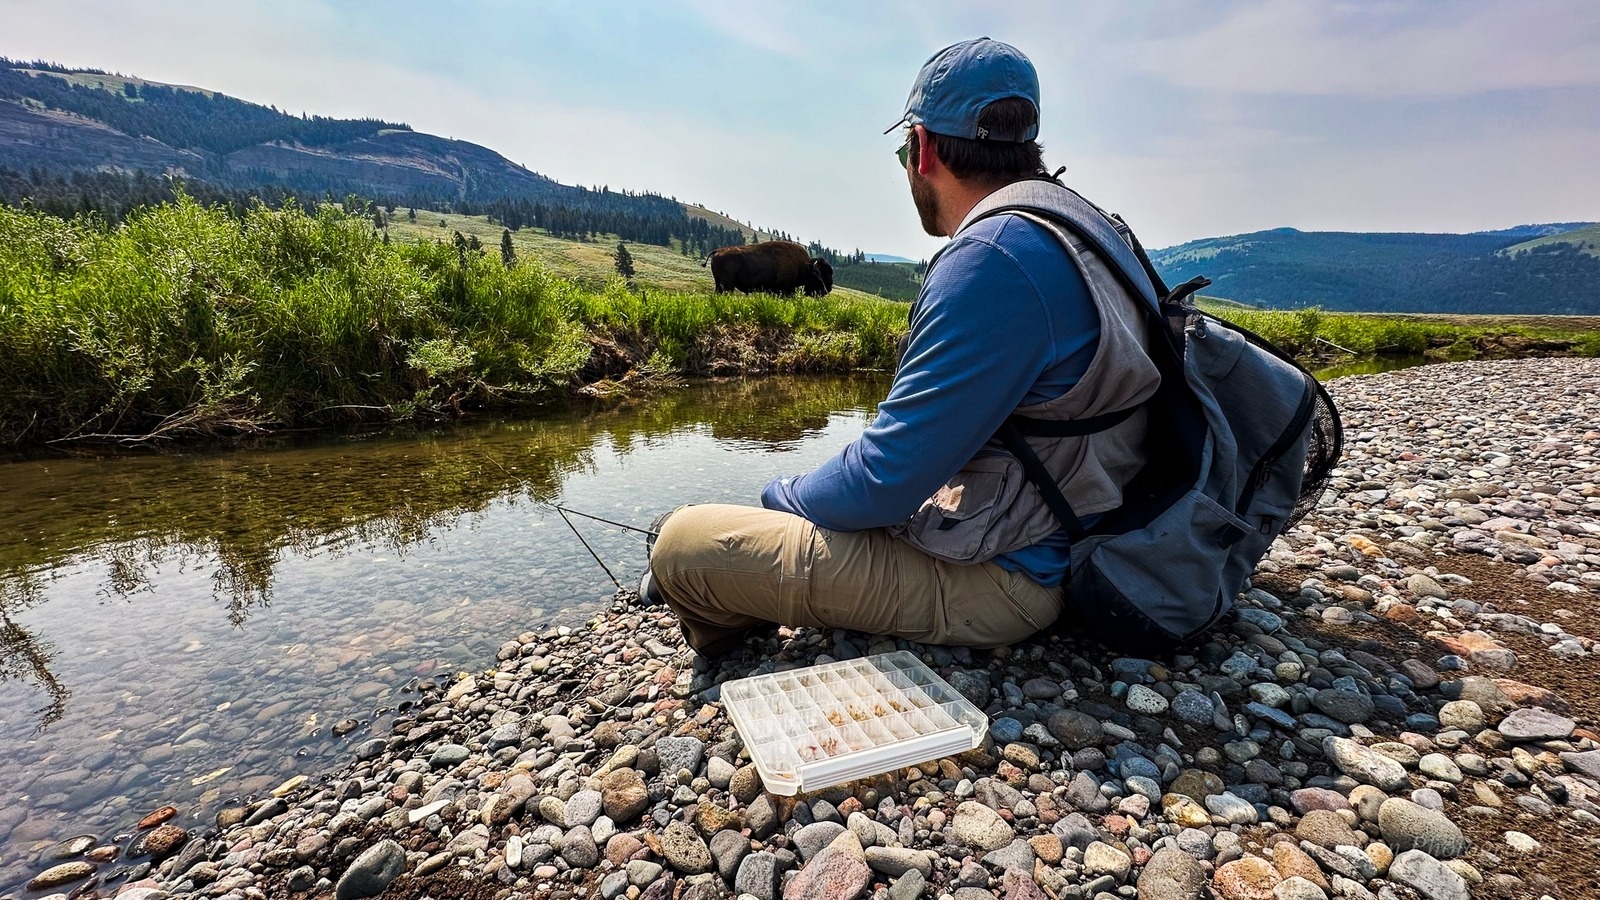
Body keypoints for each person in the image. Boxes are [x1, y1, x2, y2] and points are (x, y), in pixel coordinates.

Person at [643, 38, 1161, 657]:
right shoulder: (1086, 226)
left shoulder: (994, 257)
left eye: (903, 151)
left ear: (922, 148)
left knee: (681, 545)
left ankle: (728, 615)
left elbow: (881, 483)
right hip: (1086, 530)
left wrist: (779, 496)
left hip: (1011, 583)